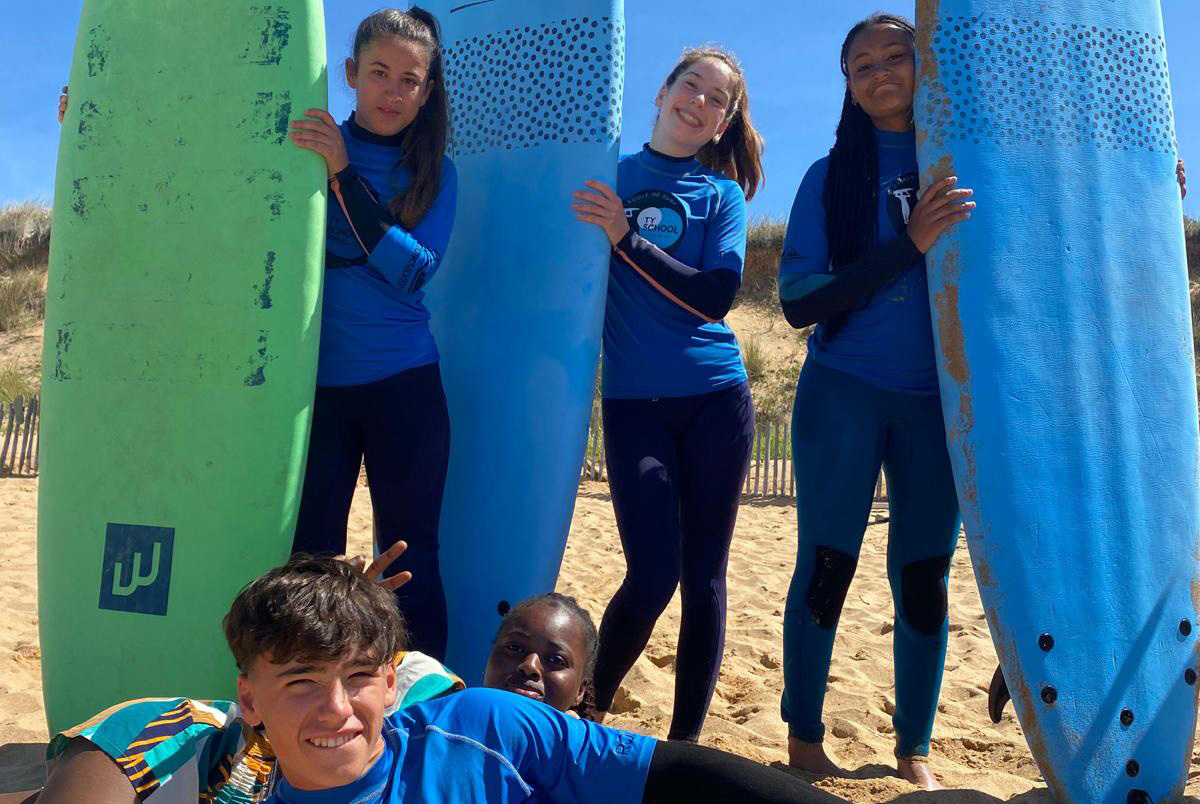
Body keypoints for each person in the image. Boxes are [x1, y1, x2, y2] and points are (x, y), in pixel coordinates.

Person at [31, 556, 848, 804]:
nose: (339, 706)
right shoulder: (229, 763)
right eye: (514, 648)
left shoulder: (487, 726)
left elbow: (678, 773)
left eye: (554, 662)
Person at [775, 14, 974, 790]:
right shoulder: (830, 176)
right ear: (848, 85)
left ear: (925, 69)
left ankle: (913, 749)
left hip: (936, 404)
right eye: (864, 64)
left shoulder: (962, 163)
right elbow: (797, 301)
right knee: (826, 568)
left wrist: (1153, 187)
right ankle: (802, 739)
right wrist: (909, 244)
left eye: (899, 56)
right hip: (844, 395)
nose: (883, 71)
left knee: (923, 576)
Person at [571, 46, 763, 743]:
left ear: (722, 124)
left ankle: (684, 745)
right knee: (652, 572)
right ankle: (588, 710)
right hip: (633, 405)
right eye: (691, 86)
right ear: (662, 90)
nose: (700, 103)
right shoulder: (605, 178)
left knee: (704, 577)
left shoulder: (721, 195)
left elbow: (717, 295)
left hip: (716, 397)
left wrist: (626, 236)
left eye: (718, 100)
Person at [283, 7, 455, 661]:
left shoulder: (437, 175)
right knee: (310, 564)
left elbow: (411, 270)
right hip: (314, 393)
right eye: (378, 72)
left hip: (405, 387)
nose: (393, 90)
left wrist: (342, 174)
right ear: (350, 73)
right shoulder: (304, 142)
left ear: (427, 91)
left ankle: (423, 712)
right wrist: (98, 118)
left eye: (410, 79)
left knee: (411, 558)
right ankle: (304, 705)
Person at [483, 592, 600, 719]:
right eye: (514, 648)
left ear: (580, 690)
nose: (530, 666)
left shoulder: (579, 739)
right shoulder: (458, 712)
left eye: (556, 660)